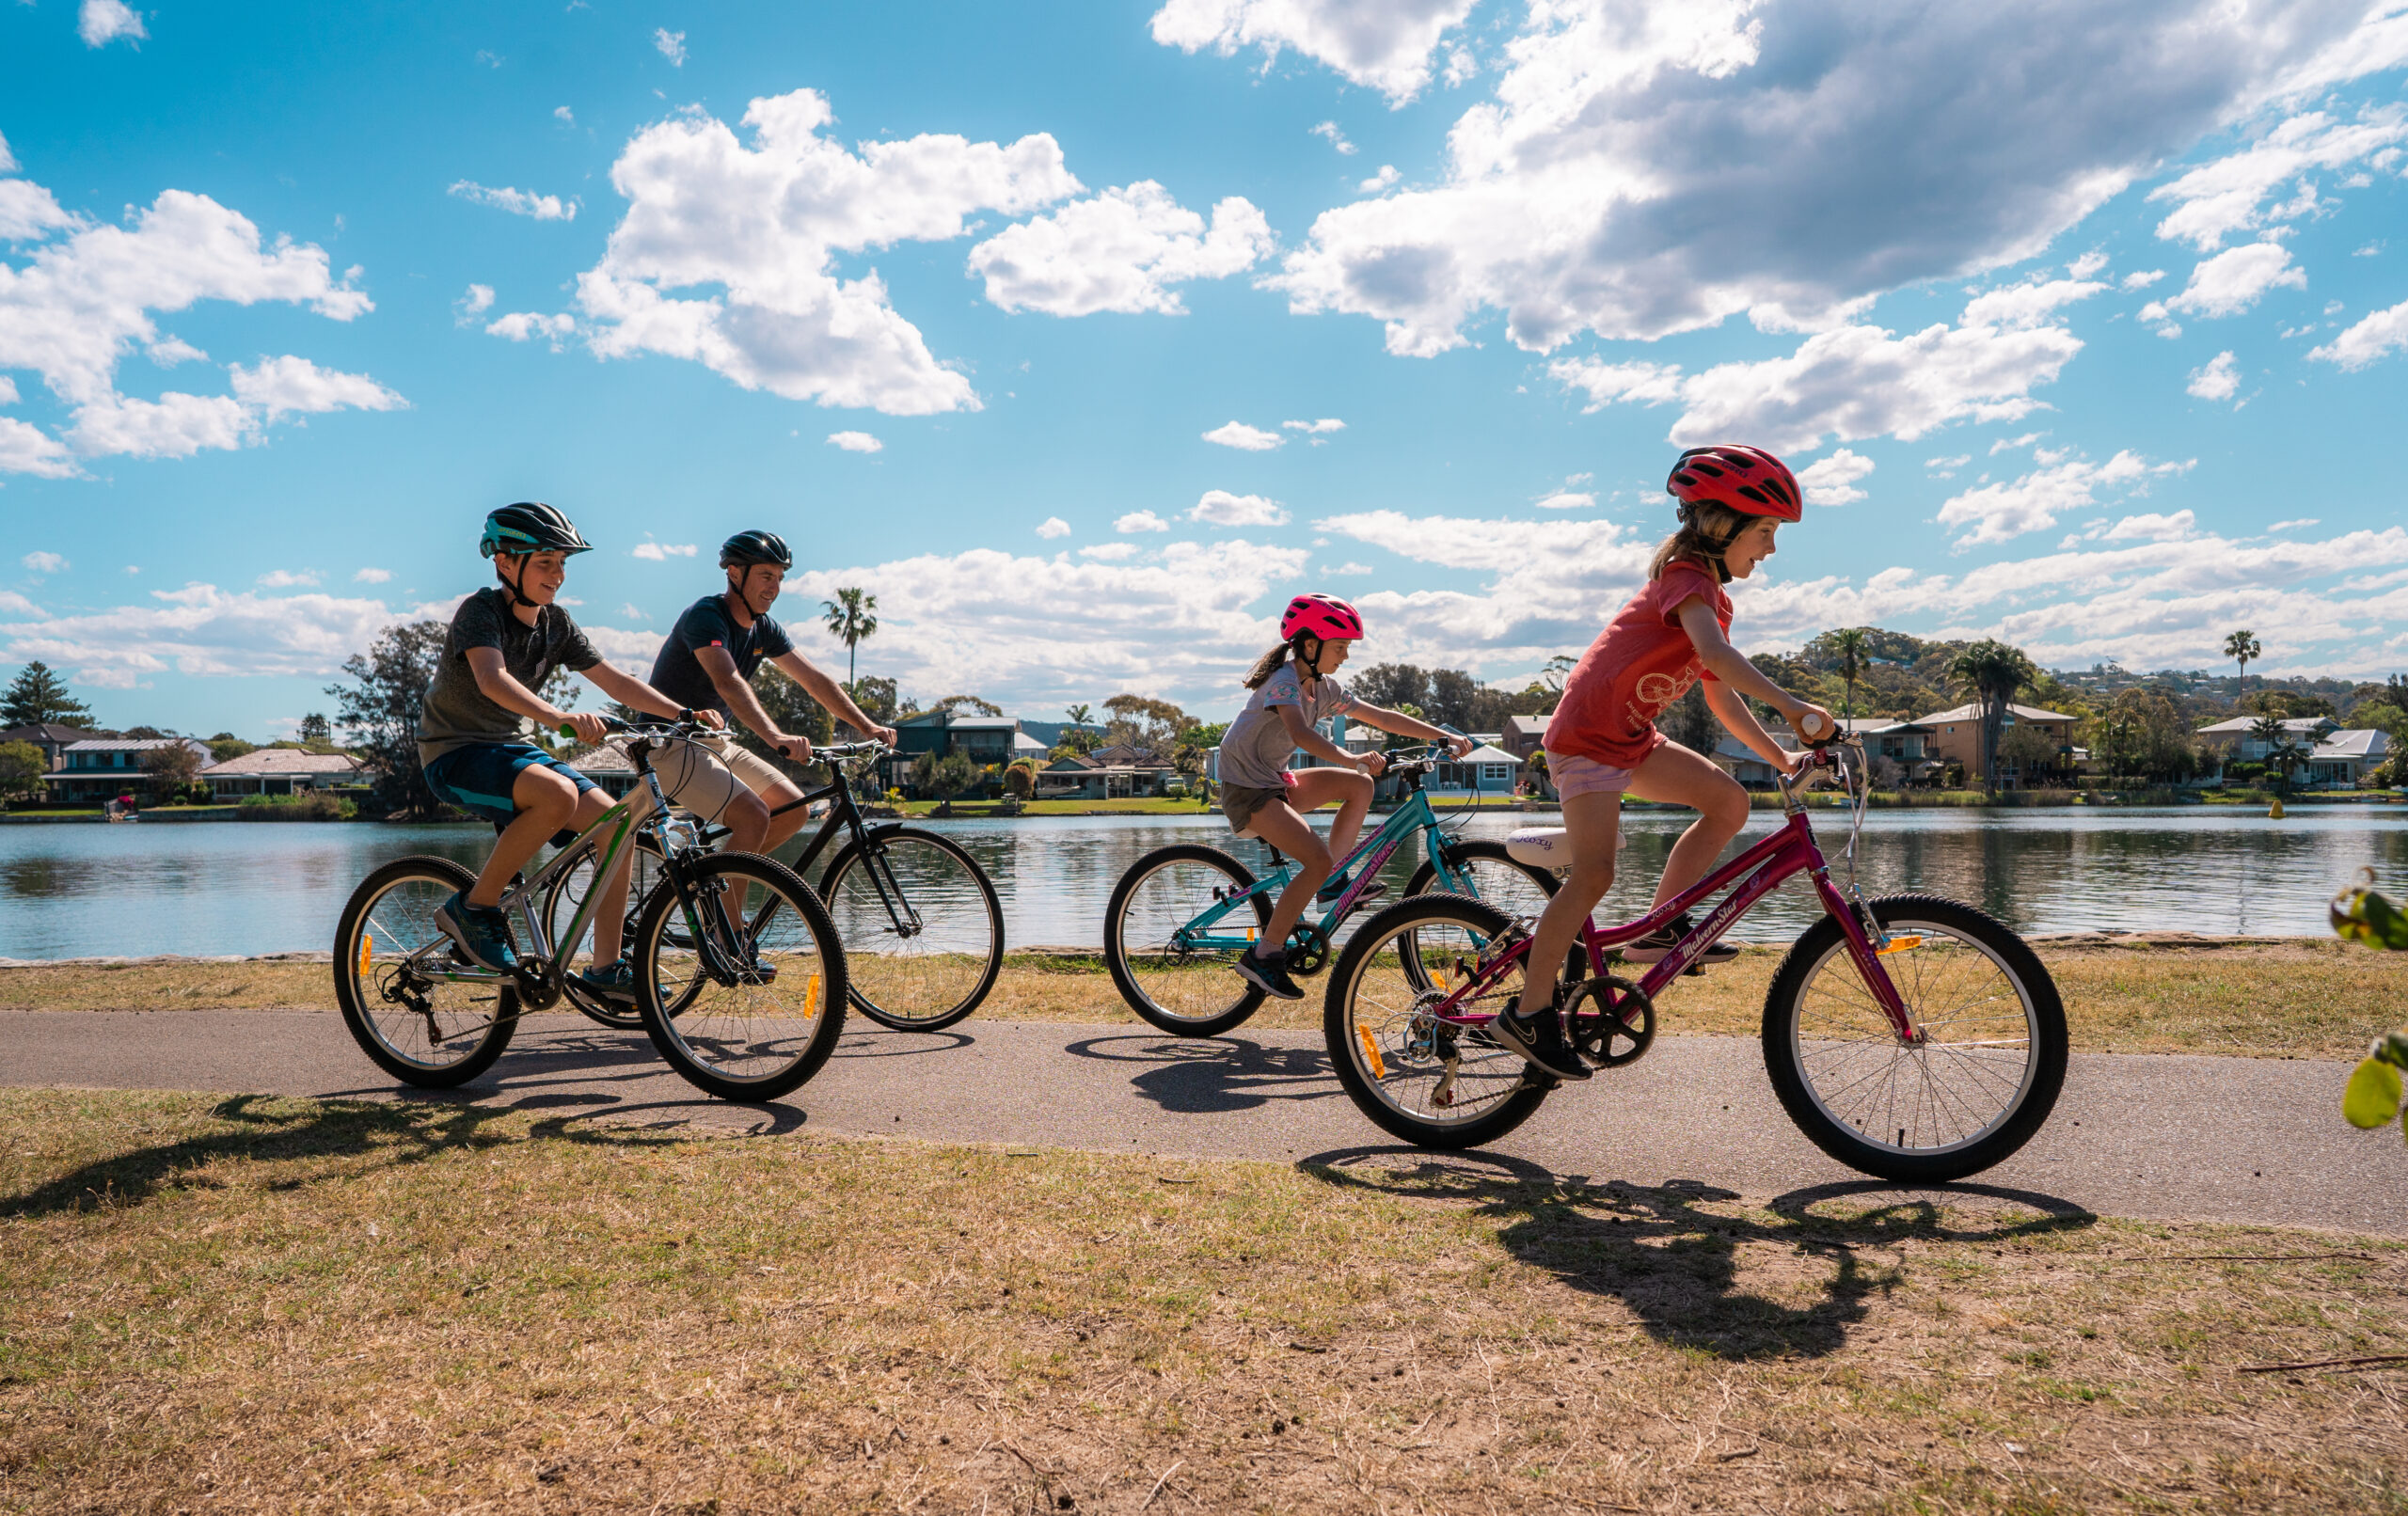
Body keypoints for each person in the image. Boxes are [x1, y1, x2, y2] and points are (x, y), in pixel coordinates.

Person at [1490, 445, 1836, 1082]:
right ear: (1721, 523)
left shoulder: (1710, 597)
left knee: (1730, 803)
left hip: (1631, 738)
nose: (1771, 549)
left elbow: (1718, 689)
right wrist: (1792, 705)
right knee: (1593, 874)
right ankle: (1529, 1012)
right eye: (1765, 532)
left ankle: (1657, 929)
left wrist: (1779, 754)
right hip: (1587, 739)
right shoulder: (1684, 575)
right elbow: (1718, 659)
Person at [418, 502, 713, 1001]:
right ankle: (474, 909)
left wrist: (683, 714)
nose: (557, 575)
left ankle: (605, 968)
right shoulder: (480, 611)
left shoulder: (557, 623)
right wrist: (559, 717)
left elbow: (615, 680)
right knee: (558, 796)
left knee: (617, 826)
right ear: (505, 563)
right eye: (544, 563)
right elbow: (493, 680)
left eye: (562, 563)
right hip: (455, 754)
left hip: (513, 752)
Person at [1217, 592, 1474, 1003]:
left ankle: (1333, 884)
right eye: (1340, 647)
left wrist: (1442, 735)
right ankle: (1264, 955)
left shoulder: (1324, 687)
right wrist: (1349, 756)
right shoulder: (1282, 681)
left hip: (1275, 780)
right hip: (1247, 788)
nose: (1346, 656)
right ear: (1310, 644)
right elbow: (1301, 734)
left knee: (1360, 786)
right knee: (1314, 858)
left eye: (1348, 648)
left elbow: (1382, 717)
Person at [642, 529, 897, 853]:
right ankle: (722, 893)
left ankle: (719, 885)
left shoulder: (765, 628)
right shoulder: (706, 616)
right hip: (668, 744)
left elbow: (814, 680)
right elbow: (728, 680)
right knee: (753, 816)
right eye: (766, 575)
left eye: (779, 577)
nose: (774, 588)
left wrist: (868, 726)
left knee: (793, 810)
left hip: (715, 744)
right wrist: (776, 737)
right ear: (734, 574)